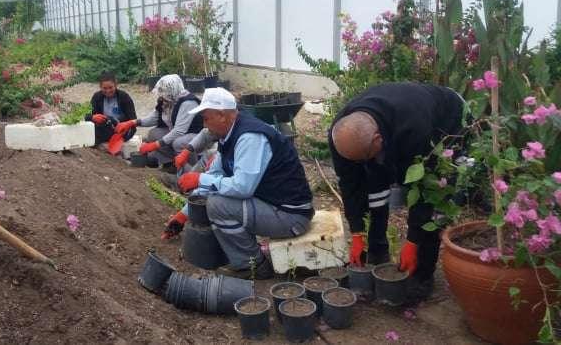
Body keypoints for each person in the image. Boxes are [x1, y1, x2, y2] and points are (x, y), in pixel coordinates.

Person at [328, 82, 465, 303]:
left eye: (367, 156)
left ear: (378, 139)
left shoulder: (414, 128)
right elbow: (350, 183)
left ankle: (422, 273)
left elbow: (423, 189)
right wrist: (356, 233)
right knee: (374, 178)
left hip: (448, 120)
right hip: (392, 123)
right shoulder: (341, 132)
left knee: (437, 195)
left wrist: (413, 241)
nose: (364, 163)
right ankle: (377, 249)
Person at [176, 87, 314, 279]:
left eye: (207, 118)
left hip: (291, 216)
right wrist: (183, 214)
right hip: (273, 206)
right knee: (216, 193)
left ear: (222, 116)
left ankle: (253, 265)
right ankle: (245, 257)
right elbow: (215, 174)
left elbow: (242, 188)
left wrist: (199, 178)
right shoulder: (228, 136)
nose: (205, 125)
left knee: (217, 205)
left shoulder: (250, 137)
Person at [115, 74, 203, 173]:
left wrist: (155, 145)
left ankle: (190, 169)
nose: (161, 96)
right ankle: (171, 163)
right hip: (179, 134)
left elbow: (179, 131)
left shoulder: (187, 103)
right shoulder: (166, 101)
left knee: (178, 143)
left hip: (196, 135)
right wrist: (132, 123)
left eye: (163, 93)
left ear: (172, 92)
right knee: (153, 134)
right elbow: (154, 118)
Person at [85, 72, 137, 145]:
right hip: (104, 127)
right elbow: (86, 116)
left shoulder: (124, 97)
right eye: (105, 88)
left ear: (116, 85)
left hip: (121, 129)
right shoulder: (97, 97)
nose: (108, 91)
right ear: (100, 87)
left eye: (110, 87)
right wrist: (92, 117)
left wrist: (123, 132)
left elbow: (133, 120)